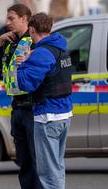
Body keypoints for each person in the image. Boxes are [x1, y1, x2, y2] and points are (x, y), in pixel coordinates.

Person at [16, 13, 73, 189]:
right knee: (56, 167)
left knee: (48, 173)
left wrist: (22, 64)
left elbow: (26, 83)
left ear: (32, 30)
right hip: (64, 114)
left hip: (48, 116)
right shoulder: (61, 47)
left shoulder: (42, 53)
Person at [0, 4, 39, 189]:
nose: (7, 22)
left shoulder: (33, 41)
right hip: (17, 105)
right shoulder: (9, 41)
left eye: (12, 19)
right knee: (23, 158)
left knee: (35, 158)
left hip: (32, 105)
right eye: (7, 18)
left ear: (25, 19)